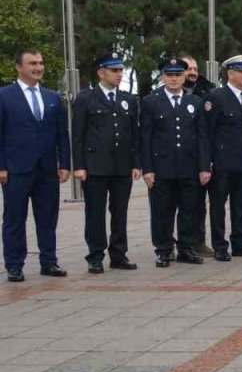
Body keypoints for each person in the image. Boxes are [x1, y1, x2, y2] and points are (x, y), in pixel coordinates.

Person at [1, 49, 71, 281]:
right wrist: (1, 166)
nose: (38, 68)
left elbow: (62, 133)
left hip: (47, 169)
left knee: (47, 218)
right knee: (14, 218)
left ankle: (49, 261)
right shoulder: (4, 96)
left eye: (40, 63)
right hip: (16, 169)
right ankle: (14, 265)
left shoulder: (52, 98)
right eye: (32, 63)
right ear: (18, 67)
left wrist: (65, 163)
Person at [72, 52, 140, 273]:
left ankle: (118, 254)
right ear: (101, 73)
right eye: (114, 70)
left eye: (121, 70)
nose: (119, 74)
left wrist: (136, 163)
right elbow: (78, 134)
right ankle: (95, 255)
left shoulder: (128, 100)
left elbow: (134, 134)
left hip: (122, 165)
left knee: (120, 212)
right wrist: (79, 165)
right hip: (95, 165)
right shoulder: (86, 98)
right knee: (95, 212)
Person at [141, 57, 211, 267]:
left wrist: (204, 167)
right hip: (162, 167)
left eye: (178, 75)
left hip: (189, 166)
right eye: (169, 75)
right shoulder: (151, 102)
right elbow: (145, 137)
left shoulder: (195, 102)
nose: (174, 79)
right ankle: (163, 250)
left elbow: (202, 136)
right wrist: (147, 168)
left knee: (189, 210)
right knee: (162, 211)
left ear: (183, 76)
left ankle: (186, 248)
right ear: (162, 77)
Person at [204, 55, 242, 263]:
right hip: (222, 162)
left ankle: (240, 242)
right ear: (230, 74)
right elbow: (207, 132)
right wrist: (207, 162)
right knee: (218, 205)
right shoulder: (216, 97)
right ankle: (220, 245)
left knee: (241, 204)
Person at [180, 54, 216, 260]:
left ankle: (198, 242)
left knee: (198, 204)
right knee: (172, 205)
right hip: (175, 157)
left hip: (200, 156)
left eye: (195, 68)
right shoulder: (164, 93)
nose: (192, 72)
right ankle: (170, 245)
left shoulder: (208, 92)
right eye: (188, 69)